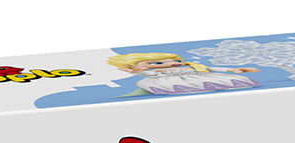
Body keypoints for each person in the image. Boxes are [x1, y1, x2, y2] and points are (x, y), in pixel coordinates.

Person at [107, 51, 259, 94]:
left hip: (200, 77)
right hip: (170, 81)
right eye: (158, 63)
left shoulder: (193, 67)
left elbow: (210, 69)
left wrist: (233, 69)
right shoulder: (155, 72)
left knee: (224, 80)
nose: (171, 64)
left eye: (175, 60)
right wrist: (139, 72)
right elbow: (153, 74)